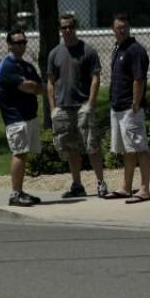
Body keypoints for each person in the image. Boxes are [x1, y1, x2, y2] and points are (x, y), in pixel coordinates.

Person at [47, 13, 108, 198]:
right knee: (71, 149)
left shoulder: (87, 51)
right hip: (63, 108)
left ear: (75, 28)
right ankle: (77, 185)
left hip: (83, 106)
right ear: (60, 30)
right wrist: (52, 109)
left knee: (92, 146)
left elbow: (95, 78)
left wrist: (91, 103)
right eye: (63, 27)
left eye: (70, 27)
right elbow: (50, 82)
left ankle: (100, 183)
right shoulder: (54, 53)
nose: (67, 30)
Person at [104, 13, 150, 204]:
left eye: (124, 27)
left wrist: (135, 102)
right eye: (118, 27)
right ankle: (126, 186)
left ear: (129, 28)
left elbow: (138, 78)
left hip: (130, 108)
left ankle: (145, 189)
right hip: (117, 107)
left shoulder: (135, 50)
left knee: (140, 147)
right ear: (113, 30)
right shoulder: (118, 48)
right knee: (127, 150)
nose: (122, 30)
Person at [0, 29, 45, 207]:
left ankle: (20, 191)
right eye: (17, 43)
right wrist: (32, 85)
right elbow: (27, 86)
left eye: (23, 42)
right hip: (16, 118)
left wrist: (33, 85)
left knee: (24, 154)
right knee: (19, 153)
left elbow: (39, 87)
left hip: (29, 116)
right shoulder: (7, 66)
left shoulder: (27, 66)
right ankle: (15, 194)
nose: (21, 45)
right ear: (9, 45)